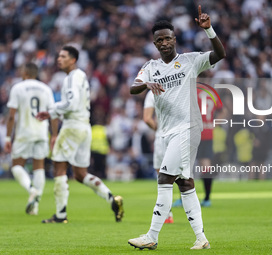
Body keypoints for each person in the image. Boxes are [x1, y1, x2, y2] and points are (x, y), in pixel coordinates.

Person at [128, 5, 226, 250]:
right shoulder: (151, 67)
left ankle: (152, 236)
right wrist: (147, 84)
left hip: (188, 128)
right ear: (154, 43)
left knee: (163, 178)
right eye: (159, 40)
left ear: (175, 39)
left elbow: (220, 54)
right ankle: (201, 238)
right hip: (168, 131)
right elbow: (133, 88)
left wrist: (209, 30)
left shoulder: (190, 61)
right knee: (185, 183)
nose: (163, 43)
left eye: (167, 38)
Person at [36, 45, 124, 223]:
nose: (59, 59)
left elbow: (71, 103)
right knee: (80, 173)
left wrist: (51, 110)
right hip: (85, 127)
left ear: (73, 60)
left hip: (72, 126)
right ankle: (112, 199)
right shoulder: (82, 76)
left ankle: (60, 215)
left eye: (63, 56)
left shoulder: (71, 77)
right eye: (58, 56)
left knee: (59, 167)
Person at [4, 62, 58, 215]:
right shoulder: (46, 88)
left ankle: (31, 190)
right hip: (41, 132)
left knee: (16, 166)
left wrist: (8, 138)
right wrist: (54, 134)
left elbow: (12, 116)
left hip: (24, 132)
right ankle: (35, 207)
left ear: (25, 72)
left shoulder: (18, 87)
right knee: (39, 166)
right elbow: (53, 114)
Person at [143, 90, 174, 223]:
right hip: (179, 135)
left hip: (161, 136)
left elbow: (147, 118)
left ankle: (167, 213)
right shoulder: (178, 87)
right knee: (184, 178)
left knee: (162, 176)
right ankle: (194, 218)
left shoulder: (152, 93)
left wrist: (157, 128)